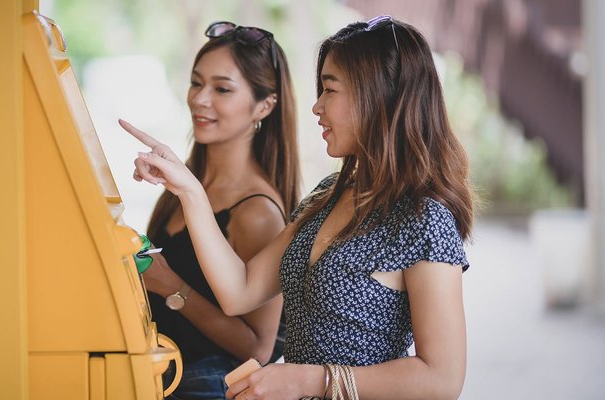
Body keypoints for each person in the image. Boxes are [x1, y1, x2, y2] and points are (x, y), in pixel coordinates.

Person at [124, 14, 474, 400]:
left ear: (376, 95)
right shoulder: (329, 195)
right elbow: (239, 290)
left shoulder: (423, 219)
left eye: (330, 90)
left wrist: (310, 380)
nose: (316, 107)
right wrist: (188, 190)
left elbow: (442, 379)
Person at [139, 21, 300, 399]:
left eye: (222, 89)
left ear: (265, 105)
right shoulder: (187, 182)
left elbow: (258, 348)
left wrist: (172, 288)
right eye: (197, 83)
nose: (199, 99)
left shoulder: (256, 212)